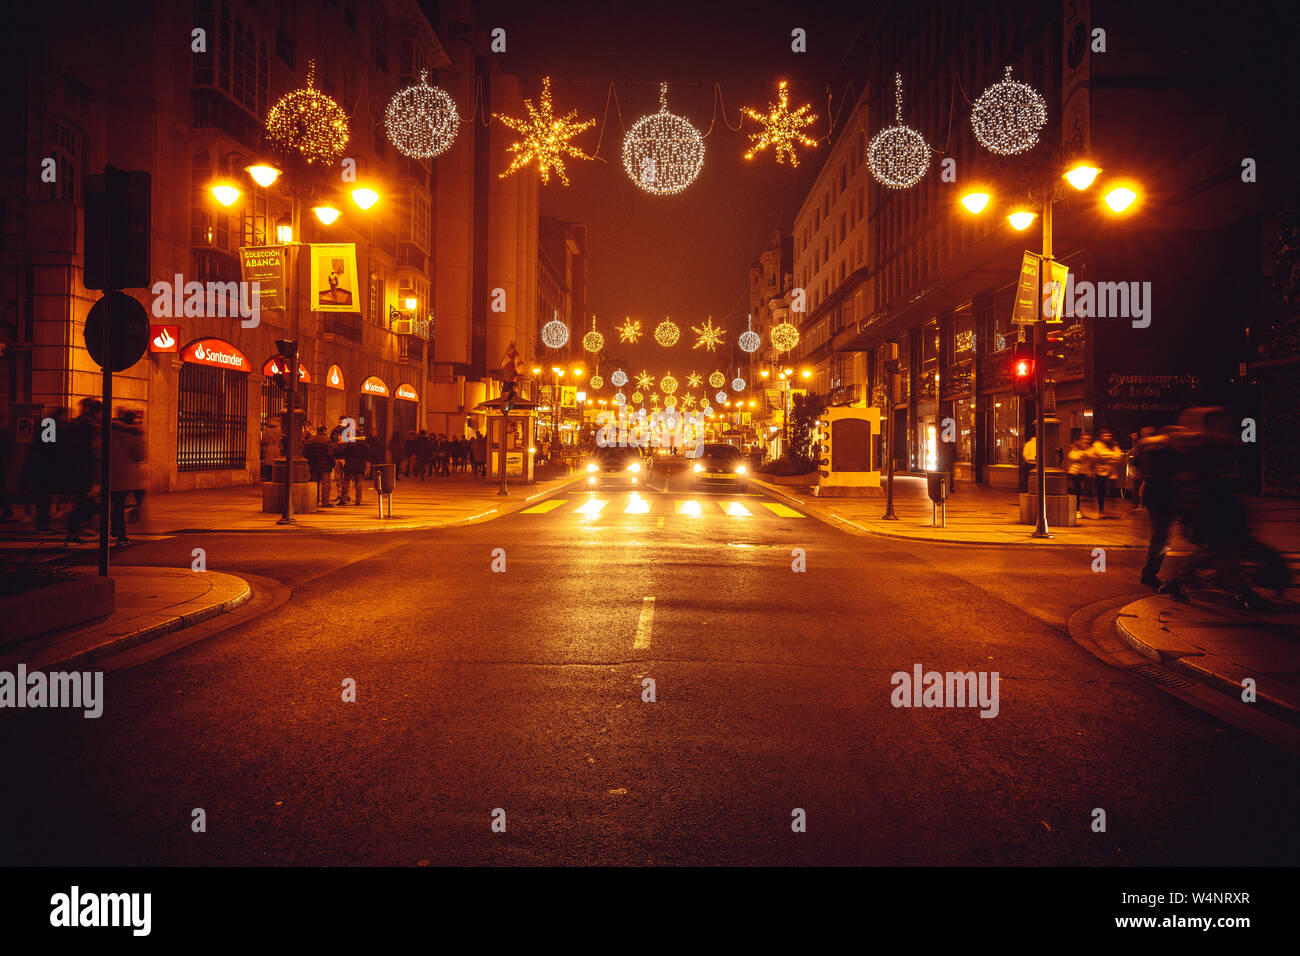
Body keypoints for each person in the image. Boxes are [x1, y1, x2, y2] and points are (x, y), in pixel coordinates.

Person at [1137, 426, 1180, 589]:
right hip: (1161, 499)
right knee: (1161, 537)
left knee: (1161, 537)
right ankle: (1150, 573)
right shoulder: (1166, 453)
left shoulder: (1153, 451)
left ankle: (1151, 572)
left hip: (1156, 497)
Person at [63, 398, 102, 544]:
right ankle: (76, 528)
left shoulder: (76, 423)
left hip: (76, 469)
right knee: (86, 502)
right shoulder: (90, 426)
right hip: (86, 470)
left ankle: (74, 529)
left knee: (82, 501)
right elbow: (95, 450)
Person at [108, 409, 145, 545]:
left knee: (116, 504)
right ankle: (120, 533)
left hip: (111, 473)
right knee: (123, 503)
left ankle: (115, 529)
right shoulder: (133, 434)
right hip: (127, 475)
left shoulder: (110, 431)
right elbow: (140, 455)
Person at [1087, 429, 1123, 518]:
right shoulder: (1097, 444)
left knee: (1112, 490)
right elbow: (1101, 454)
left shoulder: (1114, 445)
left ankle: (1112, 510)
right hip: (1100, 472)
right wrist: (1111, 456)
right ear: (1101, 436)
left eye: (1109, 436)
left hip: (1111, 472)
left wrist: (1106, 458)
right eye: (1105, 435)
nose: (1107, 437)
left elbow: (1118, 456)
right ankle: (1101, 510)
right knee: (1101, 492)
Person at [305, 426, 336, 507]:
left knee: (315, 484)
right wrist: (332, 464)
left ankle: (314, 501)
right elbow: (330, 454)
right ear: (325, 430)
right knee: (325, 484)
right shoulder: (327, 441)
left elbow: (305, 453)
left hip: (314, 465)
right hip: (325, 466)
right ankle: (325, 502)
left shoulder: (310, 440)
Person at [1066, 431, 1093, 520]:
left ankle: (1079, 509)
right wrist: (1084, 454)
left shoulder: (1089, 448)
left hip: (1085, 472)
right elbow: (1073, 457)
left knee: (1082, 492)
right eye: (1085, 438)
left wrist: (1083, 455)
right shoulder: (1075, 447)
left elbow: (1093, 456)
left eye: (1088, 439)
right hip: (1075, 472)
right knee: (1076, 491)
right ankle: (1076, 510)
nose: (1086, 440)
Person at [337, 433, 370, 506]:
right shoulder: (364, 444)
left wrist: (341, 444)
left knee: (346, 482)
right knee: (358, 482)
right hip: (360, 465)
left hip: (350, 465)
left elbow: (342, 453)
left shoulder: (349, 444)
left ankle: (343, 500)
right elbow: (367, 455)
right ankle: (358, 500)